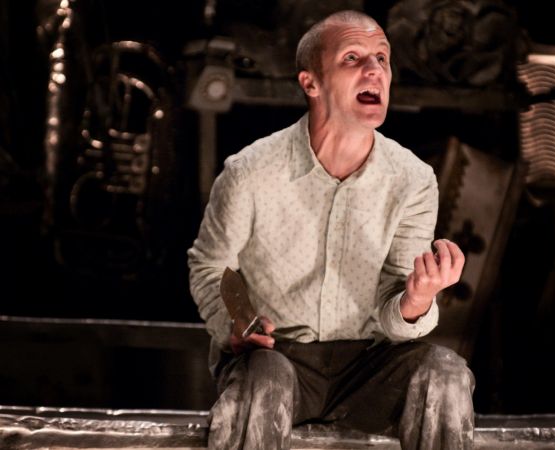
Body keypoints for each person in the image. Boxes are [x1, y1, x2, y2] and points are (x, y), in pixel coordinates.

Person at [187, 10, 475, 450]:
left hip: (369, 366)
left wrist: (417, 300)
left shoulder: (412, 180)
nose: (374, 70)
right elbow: (210, 267)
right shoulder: (250, 171)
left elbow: (394, 307)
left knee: (446, 373)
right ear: (311, 84)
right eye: (353, 58)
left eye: (382, 58)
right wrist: (237, 320)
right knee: (266, 380)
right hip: (277, 357)